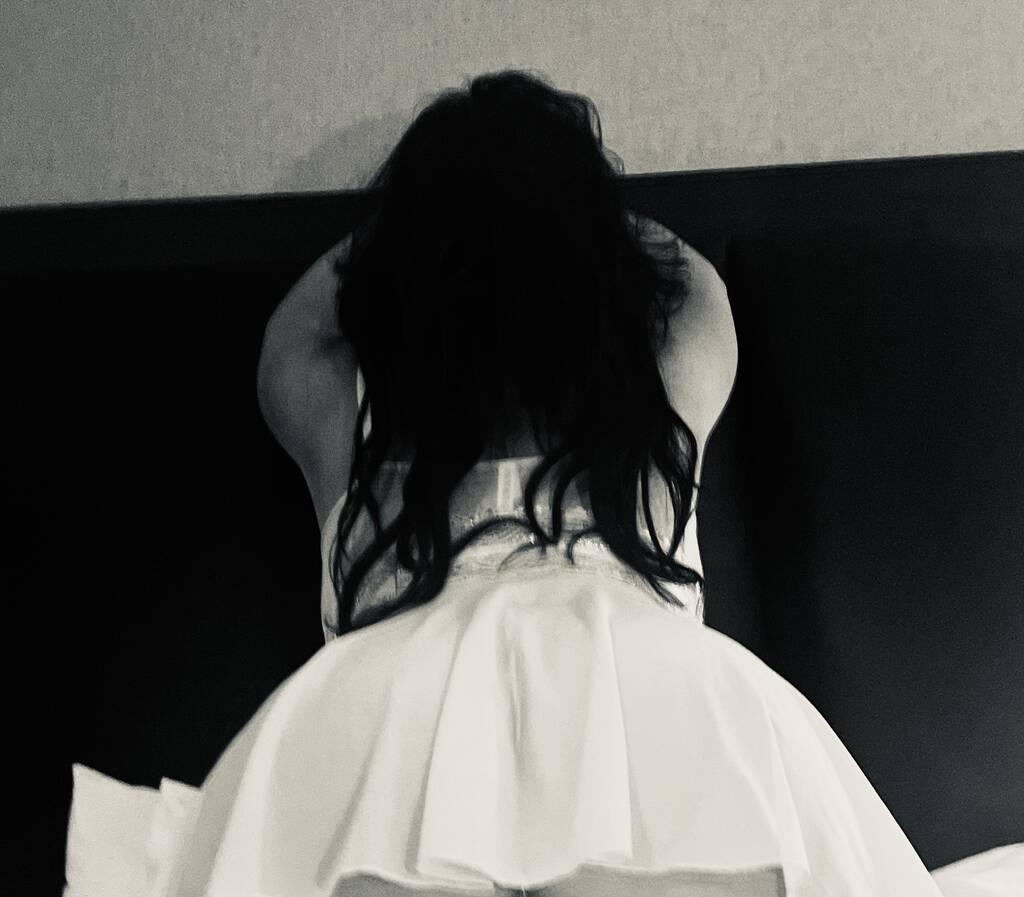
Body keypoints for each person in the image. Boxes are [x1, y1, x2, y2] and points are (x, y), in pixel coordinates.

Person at [63, 69, 1021, 897]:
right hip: (664, 714)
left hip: (378, 733)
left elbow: (304, 315)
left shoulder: (341, 410)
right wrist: (552, 215)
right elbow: (690, 278)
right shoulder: (663, 397)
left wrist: (445, 220)